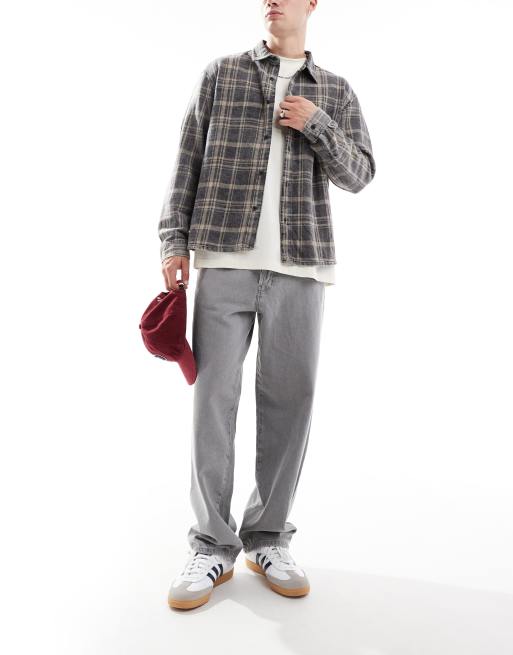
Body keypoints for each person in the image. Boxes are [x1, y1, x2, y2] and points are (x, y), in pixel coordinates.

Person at [159, 0, 376, 610]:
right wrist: (173, 241)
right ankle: (211, 544)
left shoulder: (335, 89)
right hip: (223, 260)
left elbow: (360, 174)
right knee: (213, 402)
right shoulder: (222, 73)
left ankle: (268, 537)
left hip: (301, 266)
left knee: (290, 402)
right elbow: (187, 160)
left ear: (312, 4)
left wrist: (316, 123)